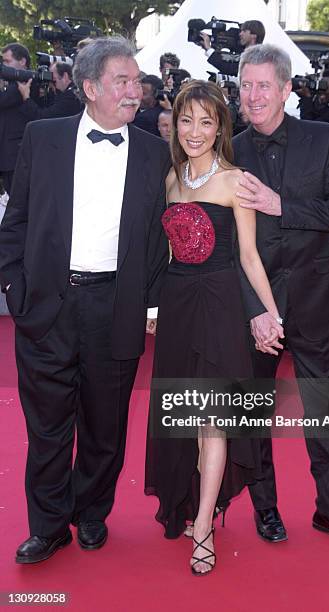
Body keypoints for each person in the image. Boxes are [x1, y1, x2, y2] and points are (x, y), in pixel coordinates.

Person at [0, 36, 170, 564]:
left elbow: (156, 239)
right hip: (47, 305)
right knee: (47, 424)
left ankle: (91, 511)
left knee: (105, 425)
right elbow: (18, 221)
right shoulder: (42, 137)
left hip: (115, 307)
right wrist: (14, 289)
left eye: (137, 79)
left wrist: (151, 303)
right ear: (90, 87)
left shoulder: (152, 151)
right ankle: (48, 525)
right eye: (122, 80)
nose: (134, 89)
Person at [233, 43, 329, 548]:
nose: (252, 96)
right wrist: (255, 311)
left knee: (322, 411)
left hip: (315, 296)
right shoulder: (229, 147)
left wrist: (281, 205)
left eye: (263, 85)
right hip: (256, 303)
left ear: (287, 89)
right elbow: (228, 244)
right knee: (252, 411)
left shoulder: (323, 140)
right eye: (246, 85)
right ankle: (265, 509)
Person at [145, 79, 284, 575]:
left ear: (220, 126)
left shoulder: (235, 180)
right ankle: (201, 506)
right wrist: (154, 307)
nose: (195, 131)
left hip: (221, 305)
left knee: (214, 419)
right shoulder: (171, 179)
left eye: (206, 121)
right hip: (179, 305)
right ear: (174, 124)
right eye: (186, 120)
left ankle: (203, 523)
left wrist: (270, 313)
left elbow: (249, 257)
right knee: (188, 417)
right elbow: (166, 252)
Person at [0, 43, 34, 194]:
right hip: (9, 157)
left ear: (22, 62)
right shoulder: (12, 84)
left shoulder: (27, 81)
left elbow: (3, 100)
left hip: (16, 157)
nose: (4, 66)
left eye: (7, 62)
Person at [16, 62, 83, 120]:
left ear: (65, 76)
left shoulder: (72, 96)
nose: (51, 84)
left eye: (54, 81)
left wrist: (26, 96)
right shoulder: (67, 92)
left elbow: (42, 117)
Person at [200, 20, 265, 77]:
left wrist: (209, 49)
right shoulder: (245, 53)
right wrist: (207, 48)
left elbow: (230, 68)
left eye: (244, 31)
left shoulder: (257, 57)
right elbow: (226, 61)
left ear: (254, 35)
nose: (240, 34)